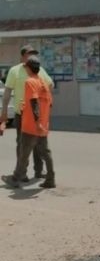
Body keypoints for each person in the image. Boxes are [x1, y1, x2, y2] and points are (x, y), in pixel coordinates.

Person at [0, 45, 53, 181]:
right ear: (23, 56)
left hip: (38, 114)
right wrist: (4, 111)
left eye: (34, 53)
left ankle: (39, 171)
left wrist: (42, 100)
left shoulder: (39, 69)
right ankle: (22, 174)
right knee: (22, 145)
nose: (33, 55)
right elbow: (7, 92)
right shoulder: (15, 71)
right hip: (22, 114)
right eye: (30, 53)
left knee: (39, 146)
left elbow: (50, 84)